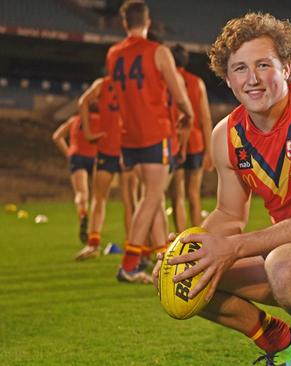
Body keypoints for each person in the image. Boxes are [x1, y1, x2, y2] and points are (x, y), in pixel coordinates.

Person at [153, 12, 291, 366]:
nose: (252, 79)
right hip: (286, 255)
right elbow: (229, 214)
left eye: (263, 65)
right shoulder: (226, 134)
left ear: (287, 67)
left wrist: (232, 247)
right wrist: (185, 251)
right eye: (240, 68)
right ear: (227, 78)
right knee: (187, 276)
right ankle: (283, 342)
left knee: (284, 267)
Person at [106, 0, 193, 282]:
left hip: (127, 134)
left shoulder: (113, 54)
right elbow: (177, 90)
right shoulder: (158, 51)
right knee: (153, 196)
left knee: (150, 198)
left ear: (124, 24)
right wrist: (187, 113)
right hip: (154, 132)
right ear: (149, 22)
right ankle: (130, 264)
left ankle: (163, 258)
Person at [73, 76, 124, 260]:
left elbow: (83, 102)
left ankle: (93, 245)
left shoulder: (102, 84)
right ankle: (138, 250)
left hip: (111, 148)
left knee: (99, 198)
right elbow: (83, 102)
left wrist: (88, 132)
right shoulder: (133, 81)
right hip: (126, 148)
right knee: (131, 201)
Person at [170, 44, 214, 227]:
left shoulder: (168, 81)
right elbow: (205, 118)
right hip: (196, 143)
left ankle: (180, 241)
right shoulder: (197, 82)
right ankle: (197, 242)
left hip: (176, 142)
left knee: (178, 195)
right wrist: (209, 151)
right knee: (194, 194)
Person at [52, 113, 100, 246]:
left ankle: (83, 214)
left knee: (81, 193)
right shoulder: (100, 118)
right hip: (94, 156)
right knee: (98, 195)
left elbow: (57, 136)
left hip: (77, 156)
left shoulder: (74, 120)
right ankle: (95, 229)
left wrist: (68, 153)